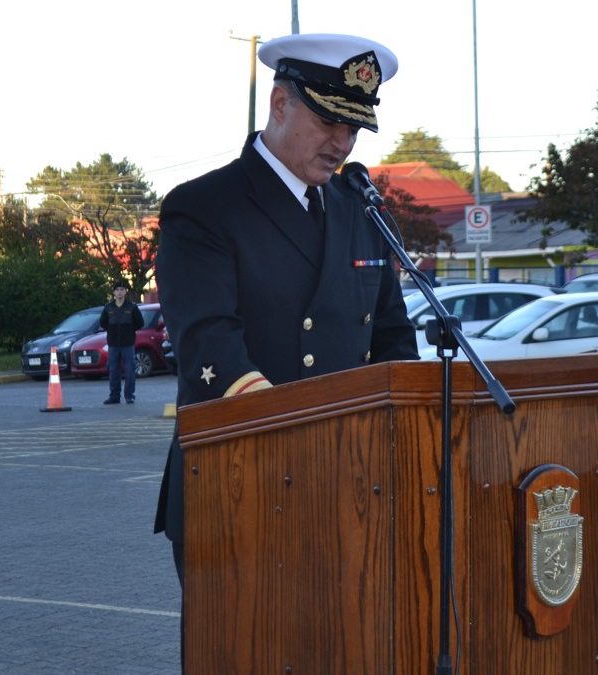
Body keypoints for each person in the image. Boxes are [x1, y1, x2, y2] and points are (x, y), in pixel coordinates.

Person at [152, 31, 419, 648]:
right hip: (243, 485)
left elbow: (392, 337)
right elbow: (208, 344)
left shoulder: (360, 210)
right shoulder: (205, 207)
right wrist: (307, 443)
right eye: (329, 120)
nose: (343, 142)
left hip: (350, 489)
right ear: (279, 104)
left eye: (354, 128)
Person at [100, 280, 144, 404]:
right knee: (113, 370)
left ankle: (129, 395)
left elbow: (140, 323)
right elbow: (103, 323)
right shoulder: (108, 307)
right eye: (117, 289)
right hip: (113, 344)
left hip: (128, 344)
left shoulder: (132, 307)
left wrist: (128, 331)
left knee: (130, 370)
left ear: (126, 292)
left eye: (122, 290)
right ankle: (114, 396)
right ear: (114, 292)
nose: (119, 292)